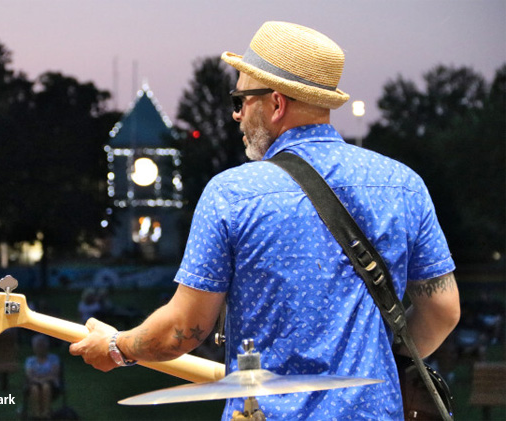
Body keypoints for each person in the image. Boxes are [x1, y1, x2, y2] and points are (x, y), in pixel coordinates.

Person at [70, 21, 461, 420]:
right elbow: (443, 311)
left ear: (276, 104)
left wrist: (117, 346)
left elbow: (184, 327)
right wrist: (373, 358)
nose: (237, 115)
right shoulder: (403, 185)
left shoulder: (233, 194)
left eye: (241, 99)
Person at [23, 334, 61, 419]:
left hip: (51, 385)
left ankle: (46, 414)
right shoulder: (30, 361)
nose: (40, 348)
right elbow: (29, 375)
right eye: (38, 345)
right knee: (35, 389)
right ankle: (36, 414)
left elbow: (54, 374)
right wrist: (40, 379)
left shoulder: (54, 358)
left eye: (42, 345)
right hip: (34, 383)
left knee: (46, 387)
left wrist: (41, 379)